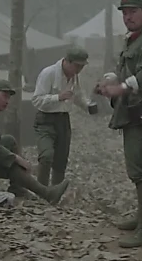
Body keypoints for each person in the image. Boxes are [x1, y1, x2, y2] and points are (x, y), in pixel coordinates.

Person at [98, 0, 142, 248]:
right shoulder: (133, 40)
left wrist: (121, 88)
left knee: (141, 170)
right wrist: (110, 81)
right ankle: (141, 218)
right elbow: (125, 69)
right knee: (136, 167)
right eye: (125, 12)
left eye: (133, 11)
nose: (128, 16)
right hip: (131, 112)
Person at [32, 47, 91, 186]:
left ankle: (55, 193)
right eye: (77, 66)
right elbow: (36, 100)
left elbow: (77, 95)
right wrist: (57, 97)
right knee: (46, 156)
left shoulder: (74, 76)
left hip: (63, 120)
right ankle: (42, 190)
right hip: (45, 120)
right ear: (67, 62)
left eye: (82, 66)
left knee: (61, 160)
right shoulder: (49, 73)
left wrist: (89, 106)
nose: (79, 69)